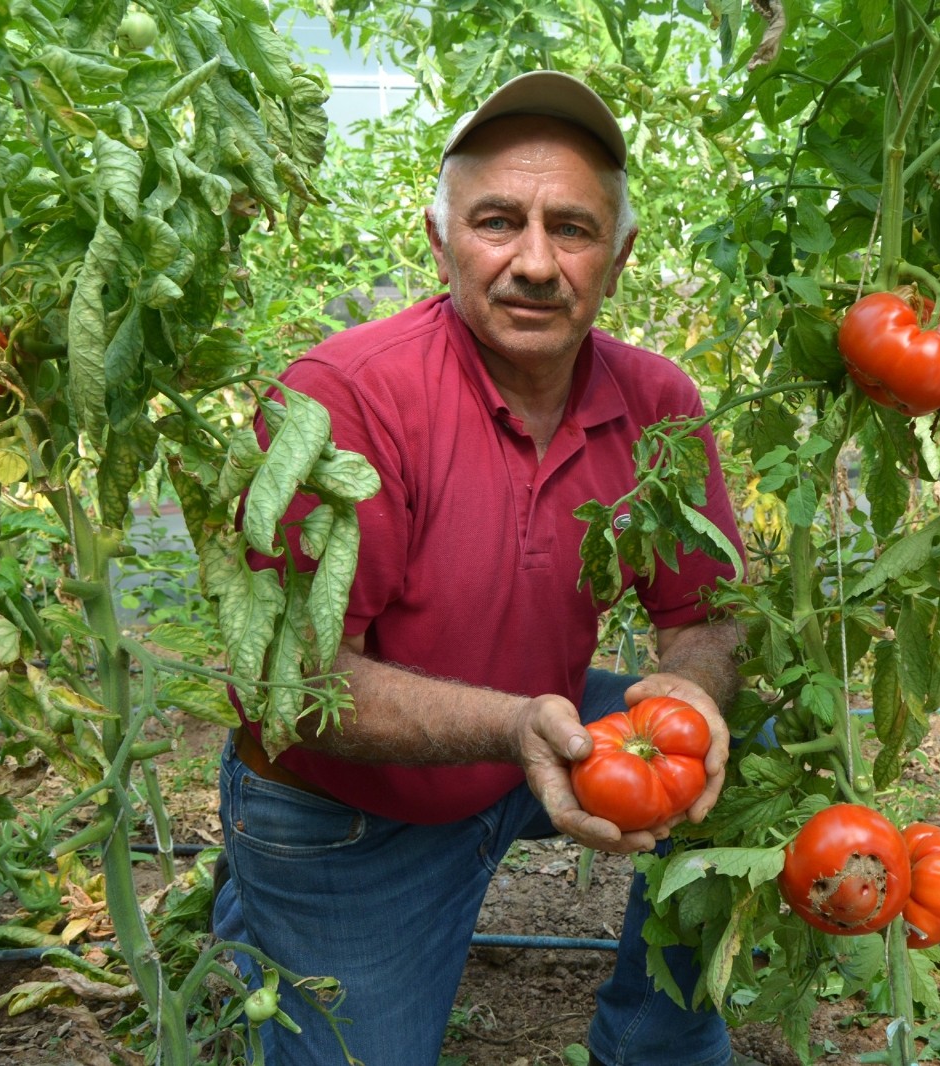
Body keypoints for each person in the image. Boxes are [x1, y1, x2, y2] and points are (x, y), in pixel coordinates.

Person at [211, 70, 750, 1066]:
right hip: (348, 806)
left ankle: (658, 1041)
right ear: (439, 241)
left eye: (573, 228)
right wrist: (510, 726)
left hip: (532, 729)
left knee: (744, 725)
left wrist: (690, 684)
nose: (535, 263)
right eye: (498, 221)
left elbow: (708, 613)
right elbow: (295, 681)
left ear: (619, 257)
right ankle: (270, 896)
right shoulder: (342, 401)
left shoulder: (655, 400)